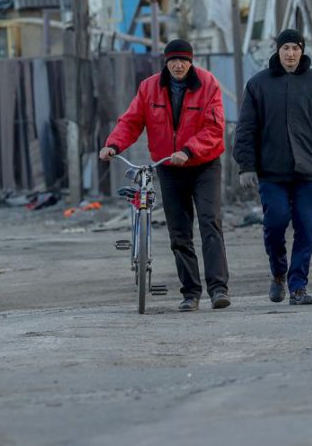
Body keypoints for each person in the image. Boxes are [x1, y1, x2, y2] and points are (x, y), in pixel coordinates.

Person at [99, 39, 231, 312]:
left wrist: (188, 149)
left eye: (183, 60)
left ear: (191, 61)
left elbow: (214, 128)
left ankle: (218, 289)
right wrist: (113, 145)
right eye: (173, 60)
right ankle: (190, 293)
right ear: (166, 62)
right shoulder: (149, 87)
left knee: (210, 223)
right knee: (179, 232)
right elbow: (131, 121)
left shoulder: (208, 84)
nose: (178, 65)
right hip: (168, 167)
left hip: (203, 164)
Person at [235, 29, 312, 306]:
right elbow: (246, 128)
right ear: (278, 51)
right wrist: (246, 166)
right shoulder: (258, 84)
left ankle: (298, 286)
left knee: (306, 228)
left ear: (302, 51)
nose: (291, 54)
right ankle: (278, 274)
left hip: (310, 172)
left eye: (295, 48)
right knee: (275, 224)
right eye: (286, 49)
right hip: (272, 172)